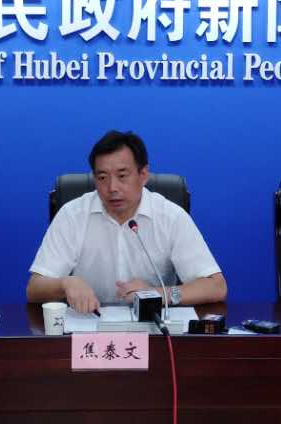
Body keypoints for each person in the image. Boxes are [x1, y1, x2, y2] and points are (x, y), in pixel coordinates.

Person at [27, 130, 226, 314]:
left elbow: (216, 286)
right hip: (88, 326)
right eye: (102, 177)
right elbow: (34, 289)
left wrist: (159, 294)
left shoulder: (171, 217)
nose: (112, 187)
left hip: (153, 327)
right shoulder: (72, 215)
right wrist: (65, 284)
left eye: (122, 176)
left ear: (143, 175)